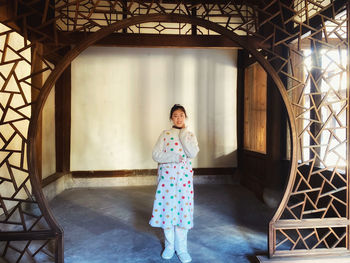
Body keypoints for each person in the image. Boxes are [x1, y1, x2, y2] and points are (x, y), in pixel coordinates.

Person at [149, 104, 199, 263]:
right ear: (171, 118)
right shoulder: (165, 134)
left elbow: (192, 153)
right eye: (175, 115)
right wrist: (173, 157)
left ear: (185, 117)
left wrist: (183, 133)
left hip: (184, 181)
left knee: (182, 212)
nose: (178, 118)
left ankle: (182, 249)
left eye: (181, 115)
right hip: (167, 181)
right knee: (168, 212)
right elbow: (156, 155)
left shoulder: (189, 135)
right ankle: (170, 246)